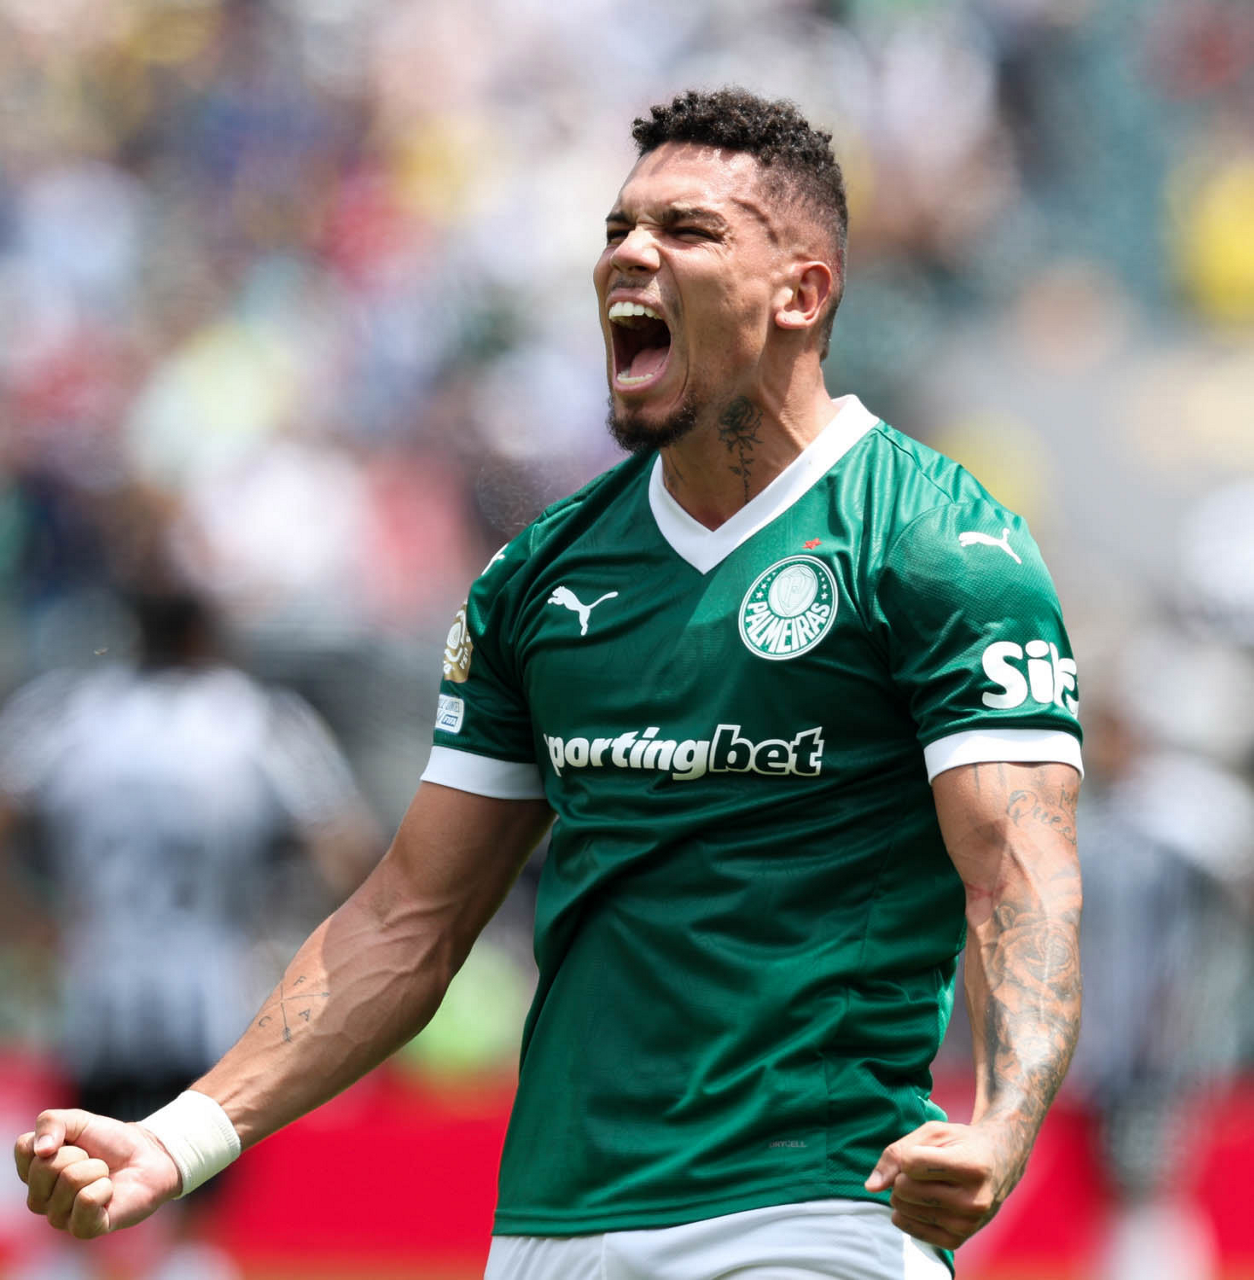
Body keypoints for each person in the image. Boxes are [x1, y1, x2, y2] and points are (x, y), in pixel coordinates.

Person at [14, 89, 1083, 1280]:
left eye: (687, 229)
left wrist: (1003, 1123)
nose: (629, 254)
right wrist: (179, 1136)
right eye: (620, 228)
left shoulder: (937, 544)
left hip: (813, 1212)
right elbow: (409, 917)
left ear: (802, 292)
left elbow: (1019, 873)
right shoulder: (540, 575)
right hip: (553, 1223)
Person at [2, 583, 380, 1280]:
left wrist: (27, 919)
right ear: (206, 638)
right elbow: (345, 847)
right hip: (210, 973)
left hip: (96, 972)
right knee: (196, 1190)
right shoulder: (257, 720)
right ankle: (184, 1258)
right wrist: (294, 928)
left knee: (71, 1170)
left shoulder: (71, 713)